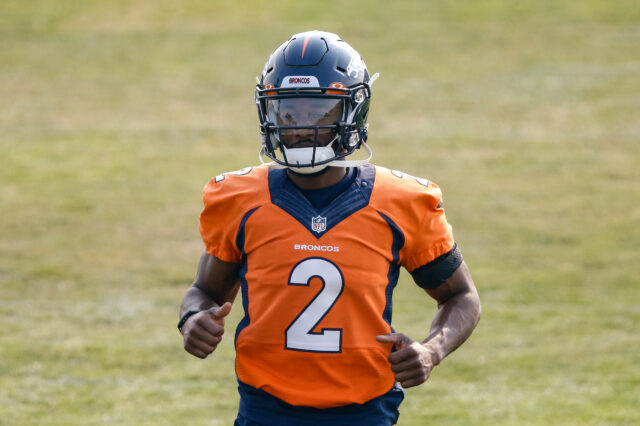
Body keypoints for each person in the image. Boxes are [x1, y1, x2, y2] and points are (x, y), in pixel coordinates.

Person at [178, 30, 481, 426]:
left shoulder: (400, 202)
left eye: (318, 111)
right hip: (265, 409)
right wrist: (192, 319)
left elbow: (461, 296)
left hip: (365, 410)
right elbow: (204, 291)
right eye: (287, 111)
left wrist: (431, 350)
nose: (300, 127)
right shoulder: (241, 198)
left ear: (352, 112)